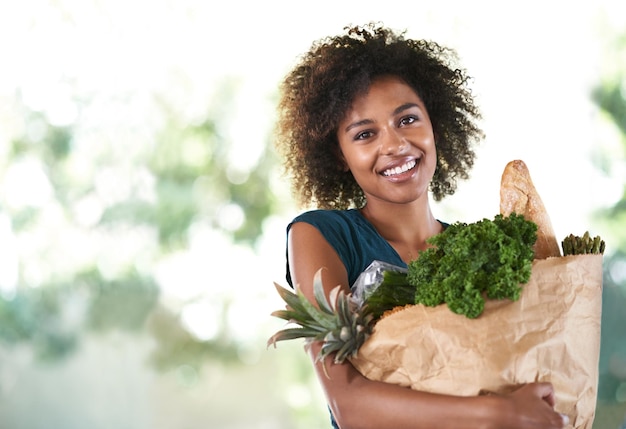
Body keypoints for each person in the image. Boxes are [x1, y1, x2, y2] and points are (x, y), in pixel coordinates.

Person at [274, 22, 568, 429]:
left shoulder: (475, 248)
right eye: (364, 134)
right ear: (339, 155)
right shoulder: (319, 235)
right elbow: (348, 405)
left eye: (407, 119)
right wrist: (503, 412)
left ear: (435, 123)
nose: (394, 145)